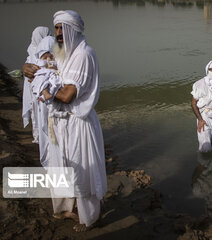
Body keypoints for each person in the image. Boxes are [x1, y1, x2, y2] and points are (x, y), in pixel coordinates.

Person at [23, 10, 107, 232]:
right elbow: (46, 70)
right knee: (59, 166)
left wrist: (45, 87)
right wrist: (29, 70)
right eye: (57, 28)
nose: (58, 33)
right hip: (58, 122)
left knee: (82, 170)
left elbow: (69, 95)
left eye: (63, 28)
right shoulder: (61, 51)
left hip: (77, 123)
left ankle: (90, 218)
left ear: (74, 29)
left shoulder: (83, 54)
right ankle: (64, 208)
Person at [29, 35, 60, 167]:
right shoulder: (35, 64)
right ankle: (51, 160)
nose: (49, 58)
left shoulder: (40, 63)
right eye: (46, 55)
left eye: (51, 55)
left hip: (50, 104)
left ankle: (55, 160)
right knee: (48, 131)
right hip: (45, 104)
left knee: (52, 133)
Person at [22, 26, 52, 143]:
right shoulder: (46, 52)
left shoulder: (30, 55)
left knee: (38, 115)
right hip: (43, 93)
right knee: (45, 116)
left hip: (35, 92)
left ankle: (39, 137)